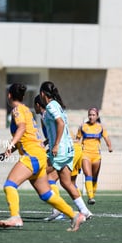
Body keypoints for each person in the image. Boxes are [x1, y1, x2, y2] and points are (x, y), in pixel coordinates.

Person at [0, 83, 85, 232]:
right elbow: (27, 134)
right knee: (46, 194)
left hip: (32, 155)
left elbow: (22, 128)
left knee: (9, 185)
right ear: (23, 96)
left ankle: (15, 217)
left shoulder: (17, 111)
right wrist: (10, 151)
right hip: (40, 155)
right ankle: (75, 215)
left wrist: (10, 145)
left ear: (9, 96)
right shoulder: (26, 110)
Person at [39, 81, 92, 219]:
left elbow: (60, 123)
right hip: (68, 149)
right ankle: (84, 211)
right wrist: (48, 141)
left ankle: (58, 209)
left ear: (42, 94)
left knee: (37, 171)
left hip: (61, 150)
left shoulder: (51, 106)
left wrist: (55, 145)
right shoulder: (57, 105)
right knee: (66, 182)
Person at [76, 107, 113, 205]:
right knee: (88, 174)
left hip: (96, 156)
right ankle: (91, 197)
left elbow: (106, 138)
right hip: (85, 154)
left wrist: (109, 147)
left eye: (93, 115)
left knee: (94, 177)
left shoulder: (101, 127)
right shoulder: (82, 126)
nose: (91, 117)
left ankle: (92, 194)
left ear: (97, 116)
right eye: (90, 115)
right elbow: (77, 139)